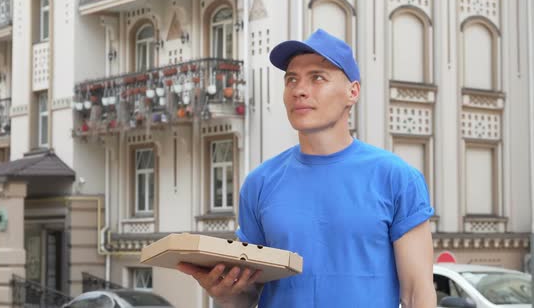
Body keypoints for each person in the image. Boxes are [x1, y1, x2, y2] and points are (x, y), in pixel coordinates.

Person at [178, 29, 436, 307]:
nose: (299, 90)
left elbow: (416, 294)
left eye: (317, 78)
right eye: (291, 79)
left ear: (353, 91)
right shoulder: (260, 182)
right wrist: (224, 292)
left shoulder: (396, 178)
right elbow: (248, 293)